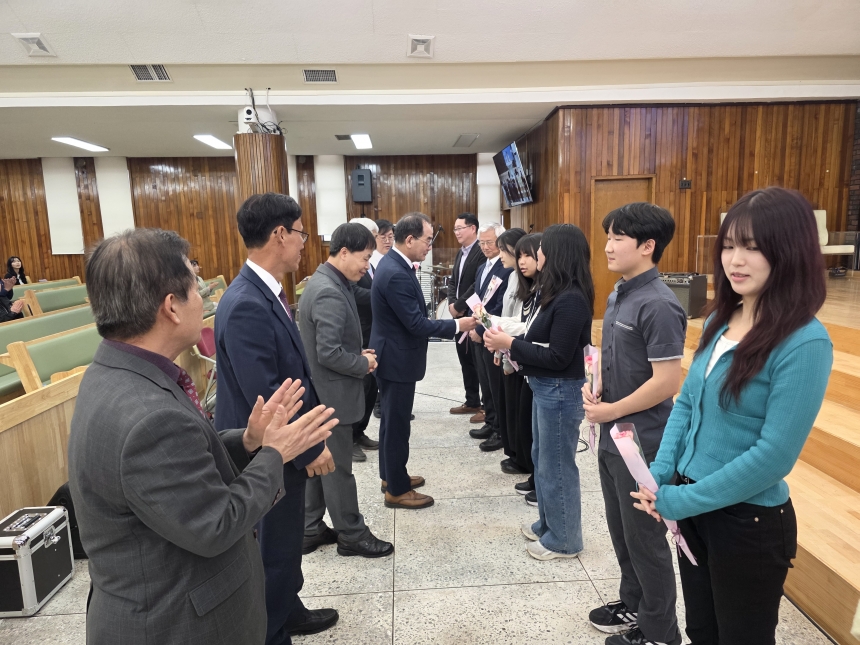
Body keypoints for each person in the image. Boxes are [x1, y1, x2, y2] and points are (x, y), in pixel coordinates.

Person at [68, 228, 338, 645]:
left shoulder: (117, 371)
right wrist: (275, 454)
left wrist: (248, 442)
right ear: (171, 307)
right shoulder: (148, 416)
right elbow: (215, 523)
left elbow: (178, 469)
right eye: (196, 287)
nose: (204, 300)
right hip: (178, 623)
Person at [632, 187, 832, 645]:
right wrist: (660, 473)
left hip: (747, 523)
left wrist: (682, 500)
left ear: (790, 252)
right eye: (729, 246)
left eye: (753, 247)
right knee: (702, 631)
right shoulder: (719, 319)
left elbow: (774, 456)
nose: (735, 260)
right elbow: (687, 404)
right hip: (693, 507)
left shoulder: (805, 341)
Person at [215, 193, 338, 645]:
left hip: (282, 442)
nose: (305, 242)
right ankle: (270, 630)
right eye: (301, 232)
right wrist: (310, 447)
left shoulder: (263, 290)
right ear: (279, 234)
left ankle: (289, 608)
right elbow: (266, 395)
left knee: (285, 541)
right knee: (275, 548)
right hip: (271, 449)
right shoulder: (247, 302)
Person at [582, 203, 686, 645]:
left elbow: (666, 382)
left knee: (645, 538)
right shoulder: (619, 293)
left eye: (618, 238)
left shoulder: (659, 304)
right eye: (608, 236)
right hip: (613, 435)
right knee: (622, 531)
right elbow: (618, 362)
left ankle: (661, 631)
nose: (607, 246)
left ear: (647, 246)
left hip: (643, 442)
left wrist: (611, 410)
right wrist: (596, 387)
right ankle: (633, 601)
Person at [484, 224, 594, 560]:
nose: (537, 253)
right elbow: (537, 338)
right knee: (542, 460)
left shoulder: (571, 298)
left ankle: (564, 540)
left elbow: (558, 356)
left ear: (557, 252)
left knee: (556, 466)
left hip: (560, 390)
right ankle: (549, 524)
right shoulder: (553, 291)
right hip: (544, 386)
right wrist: (508, 341)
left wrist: (509, 343)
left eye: (543, 247)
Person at [370, 212, 477, 509]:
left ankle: (391, 476)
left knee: (392, 423)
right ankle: (397, 490)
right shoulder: (395, 272)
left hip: (392, 355)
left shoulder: (395, 264)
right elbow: (417, 324)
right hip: (396, 359)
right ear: (409, 239)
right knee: (397, 426)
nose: (430, 246)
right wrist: (457, 325)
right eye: (428, 240)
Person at [299, 222, 393, 558]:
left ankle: (309, 527)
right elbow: (328, 353)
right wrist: (362, 363)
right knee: (337, 469)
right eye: (364, 258)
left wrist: (356, 353)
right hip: (332, 397)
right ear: (343, 253)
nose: (367, 265)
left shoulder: (328, 281)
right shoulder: (328, 291)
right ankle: (351, 533)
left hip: (323, 395)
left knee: (317, 465)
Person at [491, 233, 542, 497]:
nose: (522, 261)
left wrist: (504, 336)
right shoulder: (524, 283)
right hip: (516, 353)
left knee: (537, 429)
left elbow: (532, 330)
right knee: (521, 415)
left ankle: (535, 474)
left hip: (533, 362)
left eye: (528, 255)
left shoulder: (557, 293)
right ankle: (529, 467)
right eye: (519, 255)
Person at [468, 222, 513, 451]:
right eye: (481, 243)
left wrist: (480, 330)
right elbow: (478, 300)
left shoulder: (506, 268)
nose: (485, 247)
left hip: (492, 333)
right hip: (479, 329)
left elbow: (499, 306)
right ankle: (490, 420)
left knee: (495, 384)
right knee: (484, 381)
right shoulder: (482, 267)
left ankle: (499, 430)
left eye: (490, 242)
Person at [347, 217, 382, 462]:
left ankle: (359, 431)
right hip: (359, 332)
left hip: (371, 333)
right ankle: (348, 438)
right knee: (358, 390)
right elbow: (354, 292)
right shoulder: (350, 265)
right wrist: (382, 296)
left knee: (370, 389)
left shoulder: (370, 263)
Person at [446, 212, 485, 421]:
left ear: (472, 228)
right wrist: (452, 304)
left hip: (473, 314)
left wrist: (460, 306)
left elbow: (477, 285)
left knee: (479, 362)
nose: (456, 232)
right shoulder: (461, 252)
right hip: (459, 314)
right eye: (455, 229)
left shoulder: (481, 251)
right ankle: (472, 401)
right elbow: (453, 281)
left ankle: (486, 406)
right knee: (465, 359)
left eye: (460, 228)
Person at [369, 218, 393, 420]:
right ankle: (379, 403)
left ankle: (386, 403)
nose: (387, 241)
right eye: (382, 237)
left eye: (390, 237)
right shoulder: (371, 261)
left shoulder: (391, 259)